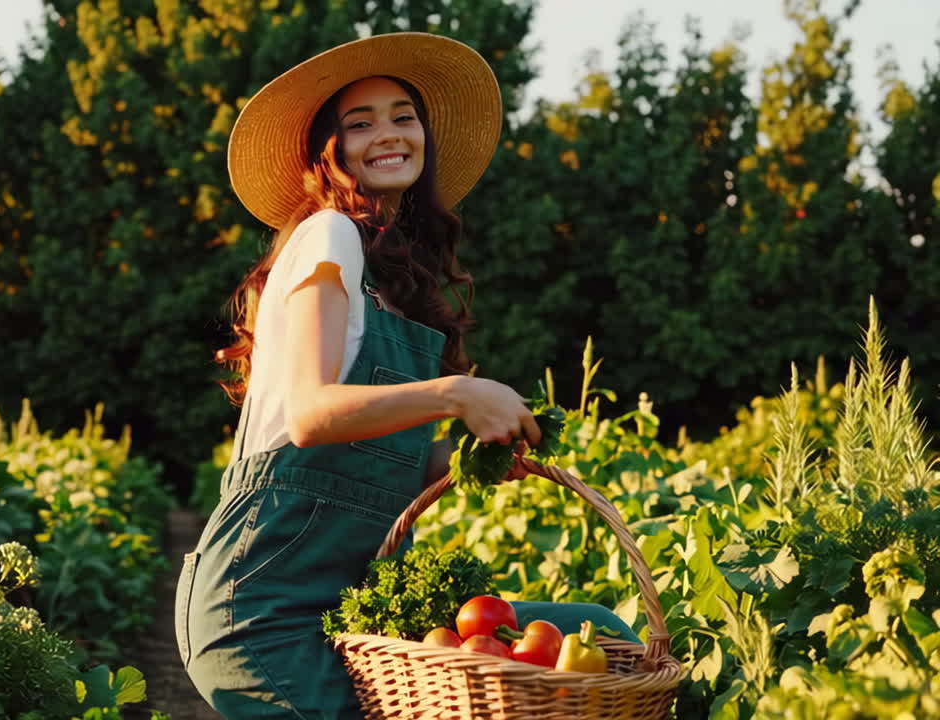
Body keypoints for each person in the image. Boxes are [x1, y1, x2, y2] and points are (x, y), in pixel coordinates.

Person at [175, 32, 639, 719]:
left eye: (403, 115)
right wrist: (460, 394)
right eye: (358, 123)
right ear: (325, 150)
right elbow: (310, 414)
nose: (388, 134)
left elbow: (371, 461)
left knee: (595, 629)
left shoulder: (391, 281)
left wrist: (465, 460)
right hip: (264, 608)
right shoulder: (328, 232)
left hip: (352, 605)